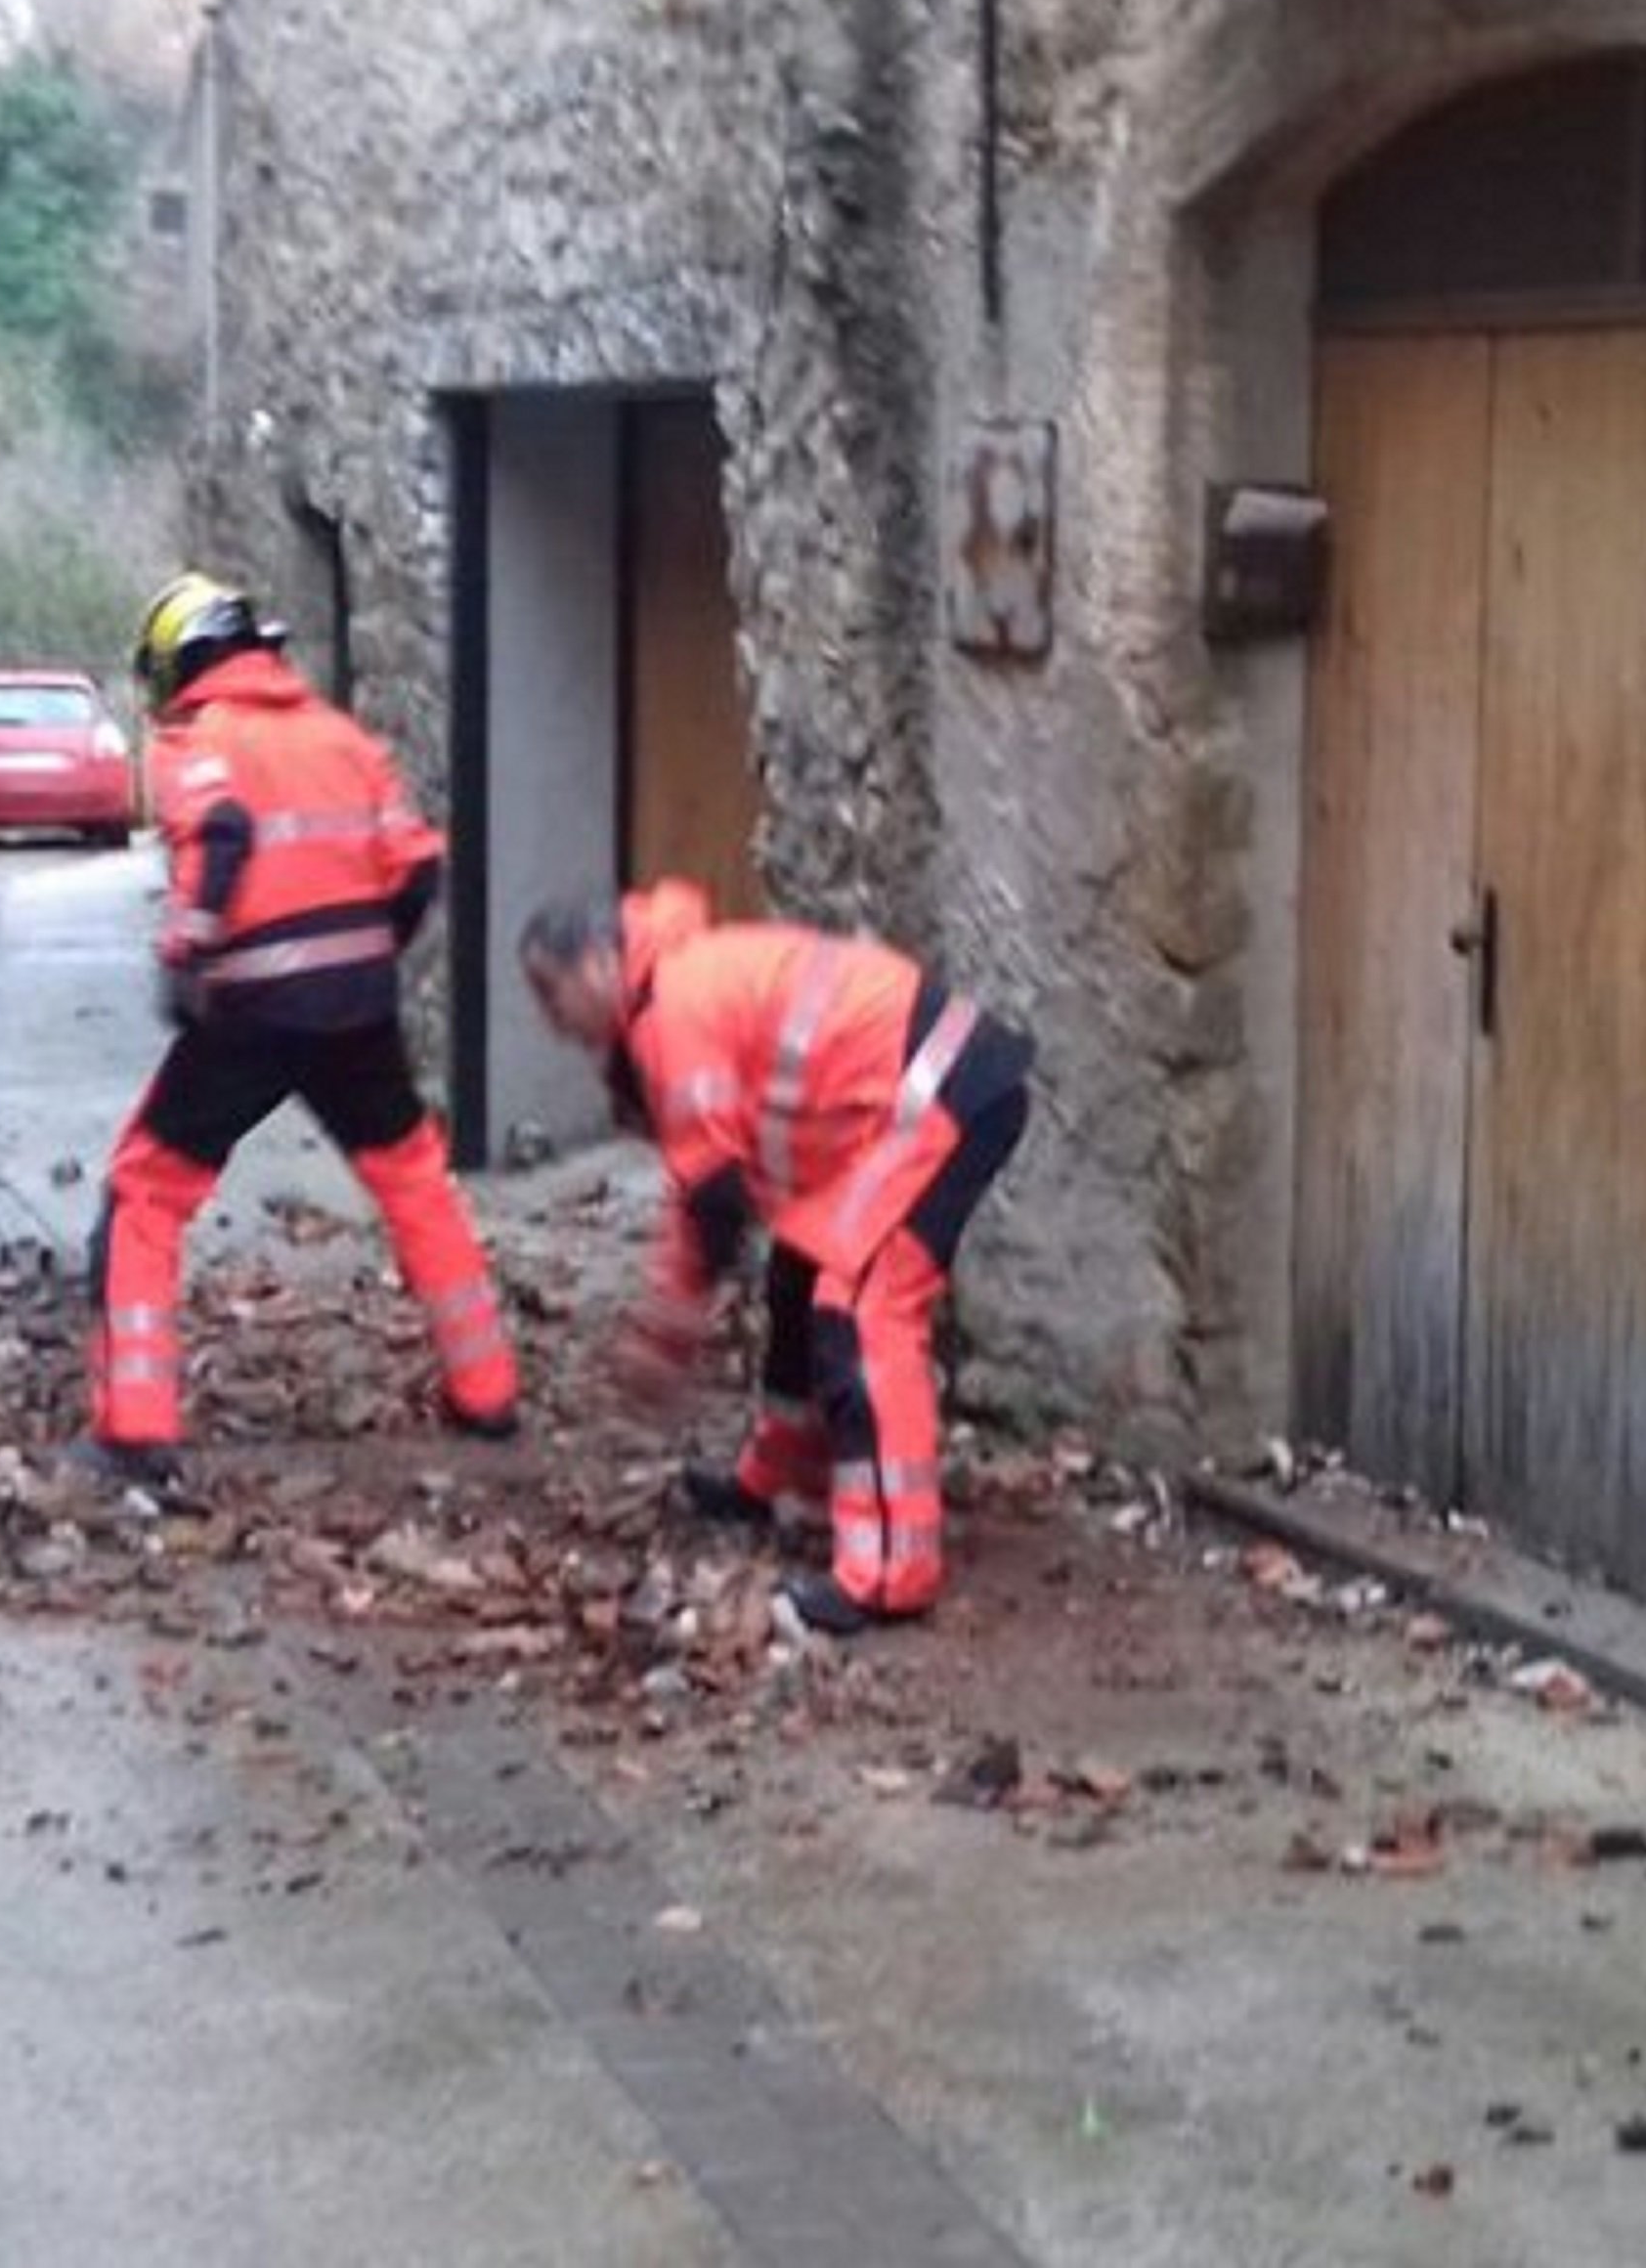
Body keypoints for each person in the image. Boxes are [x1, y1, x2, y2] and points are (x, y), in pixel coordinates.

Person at [80, 572, 515, 1489]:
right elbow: (415, 869)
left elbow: (223, 836)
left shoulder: (196, 742)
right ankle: (487, 1390)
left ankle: (135, 1424)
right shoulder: (344, 737)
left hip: (249, 1009)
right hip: (358, 1008)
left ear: (179, 663)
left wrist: (185, 955)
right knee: (413, 1181)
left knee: (147, 1189)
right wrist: (362, 958)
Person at [518, 881, 1034, 1636]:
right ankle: (782, 1471)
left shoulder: (674, 1015)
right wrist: (668, 1323)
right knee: (798, 1269)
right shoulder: (676, 987)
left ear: (597, 964)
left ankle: (889, 1572)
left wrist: (666, 1336)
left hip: (931, 1100)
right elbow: (700, 1186)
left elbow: (713, 1206)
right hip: (917, 1096)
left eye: (550, 993)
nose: (553, 1023)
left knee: (857, 1308)